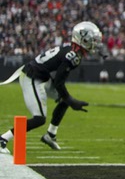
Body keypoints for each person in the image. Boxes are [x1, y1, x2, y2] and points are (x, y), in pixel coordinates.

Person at [0, 22, 102, 154]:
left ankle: (50, 135)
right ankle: (3, 138)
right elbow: (59, 82)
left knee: (64, 99)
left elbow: (58, 81)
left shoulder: (71, 50)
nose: (94, 43)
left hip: (42, 77)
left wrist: (67, 99)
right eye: (92, 40)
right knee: (39, 119)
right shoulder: (73, 56)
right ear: (83, 39)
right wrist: (71, 101)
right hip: (32, 77)